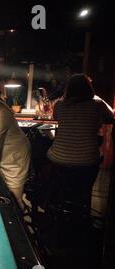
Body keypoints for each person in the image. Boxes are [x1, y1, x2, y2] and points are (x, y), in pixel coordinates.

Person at [46, 74, 114, 211]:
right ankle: (82, 211)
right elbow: (110, 117)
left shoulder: (59, 105)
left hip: (59, 160)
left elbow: (56, 117)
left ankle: (57, 206)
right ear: (90, 89)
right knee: (84, 189)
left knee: (48, 154)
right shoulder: (97, 105)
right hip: (87, 163)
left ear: (68, 89)